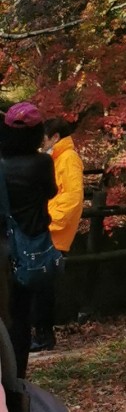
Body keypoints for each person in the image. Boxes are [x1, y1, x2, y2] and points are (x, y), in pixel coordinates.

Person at [0, 102, 59, 379]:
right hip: (28, 250)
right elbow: (51, 193)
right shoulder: (42, 163)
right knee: (20, 317)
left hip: (2, 246)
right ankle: (17, 379)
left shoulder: (1, 165)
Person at [36, 113, 85, 353]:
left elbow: (72, 197)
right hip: (50, 229)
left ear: (55, 137)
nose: (42, 144)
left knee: (43, 286)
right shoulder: (57, 158)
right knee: (39, 285)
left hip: (54, 232)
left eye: (44, 139)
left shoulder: (68, 159)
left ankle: (44, 335)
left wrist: (48, 220)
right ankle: (42, 334)